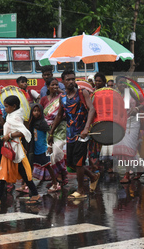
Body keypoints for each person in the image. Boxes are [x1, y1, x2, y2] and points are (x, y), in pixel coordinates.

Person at [48, 69, 100, 199]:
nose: (71, 81)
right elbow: (60, 115)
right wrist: (51, 132)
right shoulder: (63, 98)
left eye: (73, 79)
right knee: (70, 163)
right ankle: (93, 177)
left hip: (82, 133)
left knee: (79, 162)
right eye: (68, 79)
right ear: (63, 82)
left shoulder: (82, 93)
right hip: (70, 133)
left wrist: (86, 128)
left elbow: (91, 109)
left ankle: (81, 190)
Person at [0, 95, 40, 205]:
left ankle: (35, 194)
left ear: (14, 106)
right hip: (9, 149)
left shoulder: (16, 117)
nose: (5, 109)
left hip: (15, 150)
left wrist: (9, 135)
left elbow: (24, 132)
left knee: (18, 173)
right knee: (4, 172)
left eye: (7, 106)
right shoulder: (11, 115)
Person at [113, 76, 144, 183]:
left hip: (133, 124)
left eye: (124, 83)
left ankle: (127, 174)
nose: (122, 85)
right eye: (120, 83)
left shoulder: (133, 93)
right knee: (122, 149)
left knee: (128, 148)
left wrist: (137, 108)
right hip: (121, 124)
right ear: (116, 85)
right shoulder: (116, 96)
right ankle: (139, 168)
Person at [40, 77, 68, 186]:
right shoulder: (44, 100)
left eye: (57, 85)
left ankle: (63, 173)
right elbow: (41, 115)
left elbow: (63, 113)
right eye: (53, 85)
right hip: (47, 129)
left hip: (60, 128)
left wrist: (61, 92)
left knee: (57, 152)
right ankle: (57, 177)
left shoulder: (62, 97)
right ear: (47, 87)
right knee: (50, 155)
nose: (55, 87)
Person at [29, 103, 61, 193]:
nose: (36, 113)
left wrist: (50, 146)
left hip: (42, 149)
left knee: (47, 166)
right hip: (34, 149)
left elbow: (50, 135)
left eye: (38, 111)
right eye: (34, 111)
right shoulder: (31, 123)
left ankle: (55, 184)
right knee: (30, 166)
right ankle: (26, 185)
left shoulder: (42, 123)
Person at [88, 72, 106, 172]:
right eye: (96, 81)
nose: (97, 83)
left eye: (99, 81)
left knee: (101, 142)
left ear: (104, 82)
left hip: (103, 120)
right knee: (92, 143)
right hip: (93, 120)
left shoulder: (107, 92)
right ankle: (93, 164)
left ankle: (100, 163)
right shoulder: (92, 92)